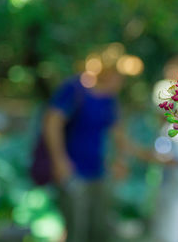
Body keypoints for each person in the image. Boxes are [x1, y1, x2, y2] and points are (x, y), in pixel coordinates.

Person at [43, 60, 129, 242]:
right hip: (72, 169)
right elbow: (52, 123)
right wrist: (59, 161)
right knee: (75, 227)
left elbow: (118, 134)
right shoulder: (74, 89)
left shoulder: (109, 100)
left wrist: (120, 160)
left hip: (98, 171)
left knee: (98, 227)